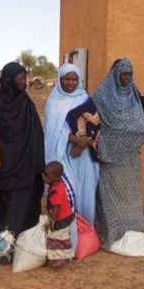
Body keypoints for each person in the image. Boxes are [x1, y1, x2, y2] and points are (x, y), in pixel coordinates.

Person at [92, 58, 144, 249]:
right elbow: (93, 123)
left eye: (129, 74)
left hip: (130, 159)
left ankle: (133, 232)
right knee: (110, 198)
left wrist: (133, 135)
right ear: (115, 74)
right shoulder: (101, 96)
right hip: (109, 158)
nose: (127, 78)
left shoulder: (136, 96)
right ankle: (111, 234)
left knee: (131, 197)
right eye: (124, 74)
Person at [0, 62, 44, 253]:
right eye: (19, 79)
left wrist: (37, 163)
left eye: (24, 78)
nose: (23, 82)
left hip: (25, 166)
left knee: (23, 205)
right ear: (8, 80)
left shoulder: (25, 102)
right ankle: (1, 250)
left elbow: (35, 132)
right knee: (3, 208)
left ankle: (22, 248)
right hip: (4, 167)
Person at [44, 63, 100, 230]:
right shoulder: (53, 102)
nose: (70, 82)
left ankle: (85, 231)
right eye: (66, 79)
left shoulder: (84, 97)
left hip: (84, 156)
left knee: (86, 190)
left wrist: (83, 144)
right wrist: (75, 139)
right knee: (68, 191)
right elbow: (52, 131)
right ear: (60, 80)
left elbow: (95, 124)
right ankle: (68, 234)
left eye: (74, 79)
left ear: (78, 80)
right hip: (64, 154)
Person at [43, 161, 75, 268]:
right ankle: (65, 257)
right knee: (63, 239)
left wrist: (53, 221)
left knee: (57, 239)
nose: (44, 178)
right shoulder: (58, 184)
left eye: (47, 177)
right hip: (65, 217)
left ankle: (58, 261)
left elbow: (56, 208)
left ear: (55, 177)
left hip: (61, 219)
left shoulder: (57, 191)